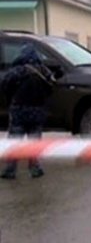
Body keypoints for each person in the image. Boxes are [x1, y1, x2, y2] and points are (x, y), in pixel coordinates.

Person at [0, 44, 55, 179]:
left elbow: (5, 85)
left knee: (14, 141)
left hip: (19, 110)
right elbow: (51, 87)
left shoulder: (17, 71)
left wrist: (11, 99)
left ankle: (10, 170)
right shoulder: (44, 70)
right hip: (37, 111)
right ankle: (35, 169)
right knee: (34, 142)